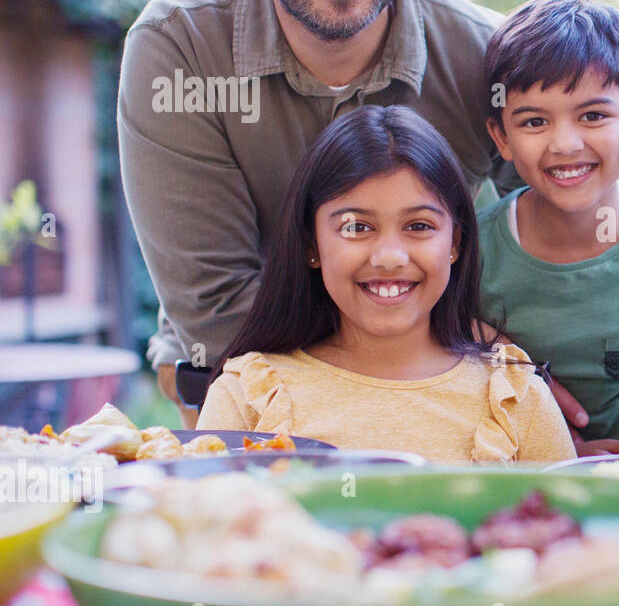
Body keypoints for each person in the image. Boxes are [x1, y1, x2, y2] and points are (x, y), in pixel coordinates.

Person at [117, 0, 529, 428]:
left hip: (447, 391)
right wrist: (430, 352)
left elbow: (568, 227)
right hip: (246, 391)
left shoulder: (486, 55)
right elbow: (220, 308)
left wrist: (529, 365)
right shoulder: (178, 49)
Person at [196, 105, 575, 464]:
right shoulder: (246, 395)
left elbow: (572, 527)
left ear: (454, 244)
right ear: (311, 245)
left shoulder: (515, 397)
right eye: (357, 227)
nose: (390, 256)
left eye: (418, 226)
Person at [478, 0, 619, 455]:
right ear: (502, 138)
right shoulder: (470, 252)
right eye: (534, 121)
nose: (565, 144)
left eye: (593, 115)